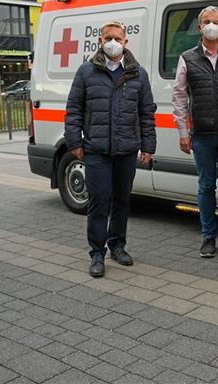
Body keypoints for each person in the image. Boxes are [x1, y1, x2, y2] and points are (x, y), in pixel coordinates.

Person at [65, 20, 156, 278]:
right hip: (96, 150)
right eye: (108, 38)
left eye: (117, 38)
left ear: (126, 42)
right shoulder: (86, 72)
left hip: (127, 150)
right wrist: (75, 142)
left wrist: (148, 145)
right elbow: (73, 109)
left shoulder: (138, 74)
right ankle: (97, 252)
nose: (113, 42)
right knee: (98, 201)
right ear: (100, 41)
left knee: (122, 200)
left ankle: (118, 245)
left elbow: (146, 113)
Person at [172, 6, 218, 258]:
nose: (210, 25)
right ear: (199, 27)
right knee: (205, 187)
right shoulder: (187, 58)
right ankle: (208, 238)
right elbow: (179, 97)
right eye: (206, 21)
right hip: (201, 135)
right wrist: (183, 131)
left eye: (215, 22)